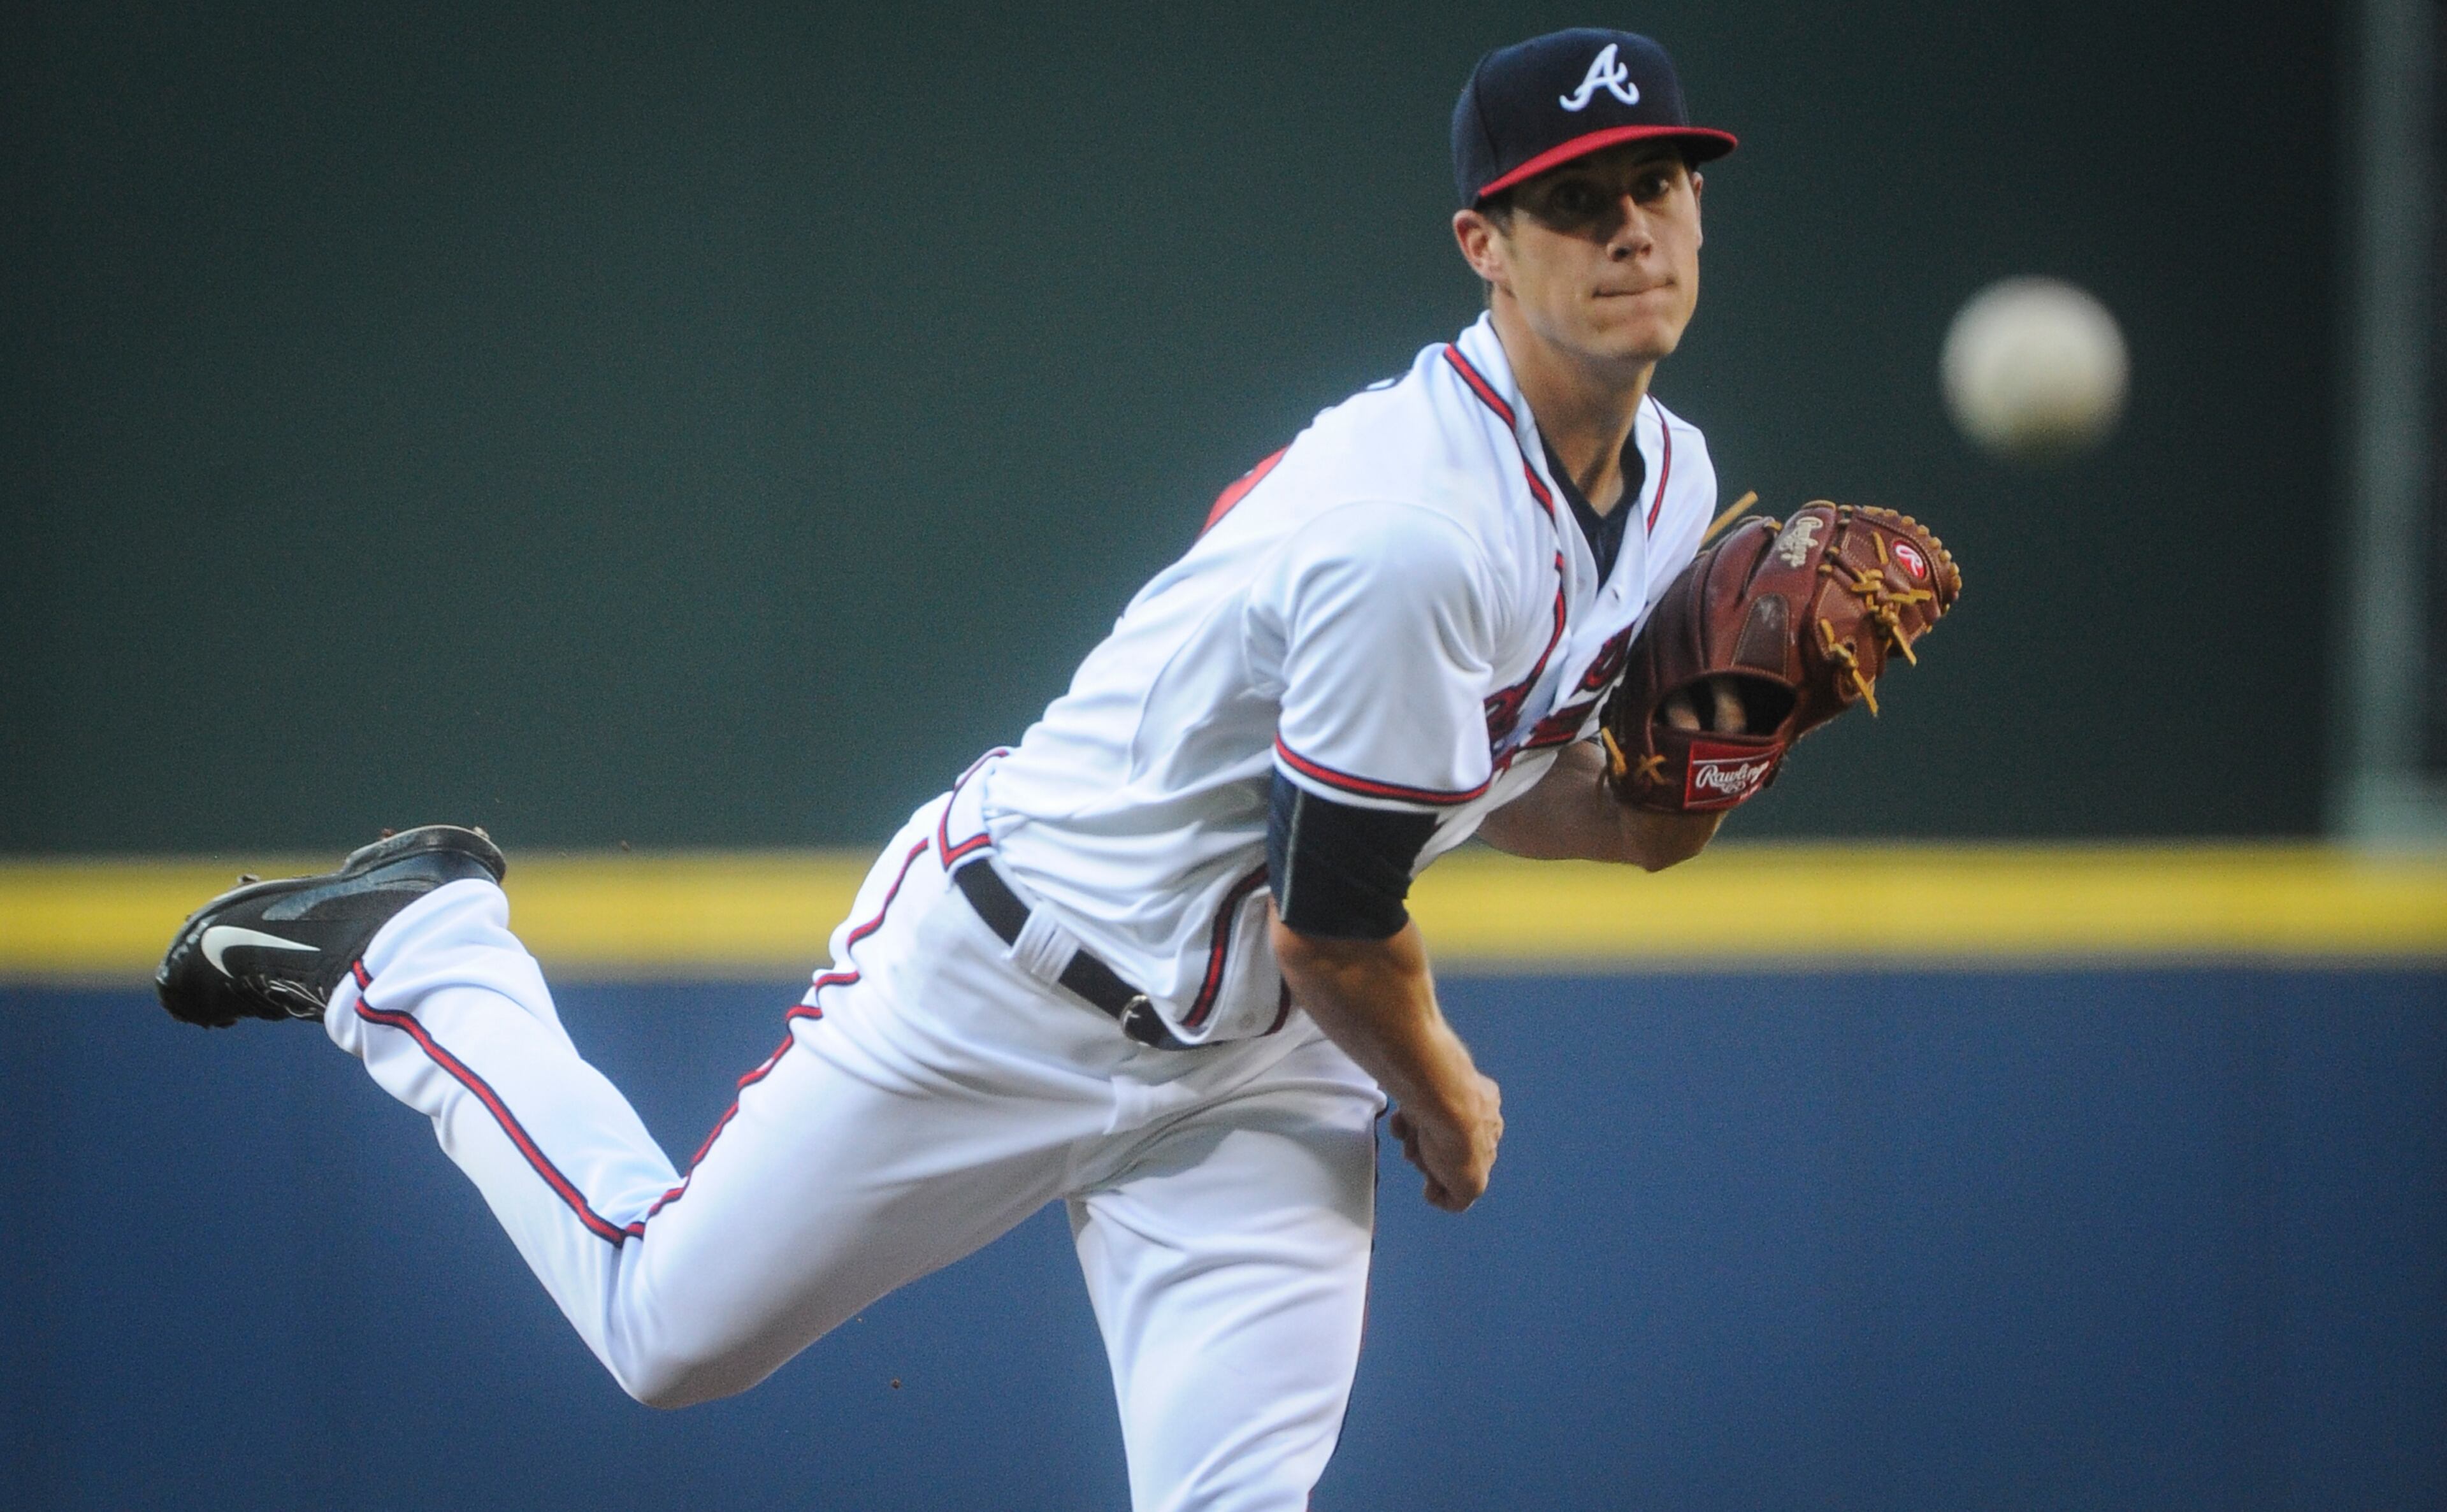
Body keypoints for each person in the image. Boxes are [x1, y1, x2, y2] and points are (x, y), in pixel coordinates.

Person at [157, 28, 1740, 1511]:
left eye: (1655, 186)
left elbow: (1496, 780)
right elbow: (1333, 926)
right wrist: (1448, 1100)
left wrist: (1671, 807)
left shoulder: (1672, 483)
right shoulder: (1412, 530)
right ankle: (421, 955)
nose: (1628, 234)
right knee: (664, 1331)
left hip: (1253, 1060)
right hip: (1013, 976)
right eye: (1573, 201)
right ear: (1486, 243)